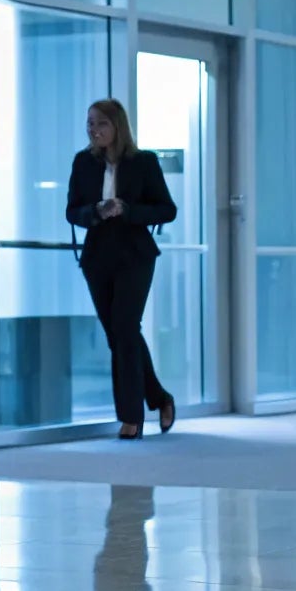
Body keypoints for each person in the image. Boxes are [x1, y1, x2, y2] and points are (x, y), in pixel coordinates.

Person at [65, 98, 177, 440]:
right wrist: (97, 210)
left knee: (126, 328)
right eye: (90, 123)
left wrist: (127, 210)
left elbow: (166, 210)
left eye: (101, 124)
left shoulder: (143, 162)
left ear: (118, 127)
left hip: (134, 255)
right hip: (98, 256)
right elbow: (71, 211)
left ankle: (131, 418)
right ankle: (159, 397)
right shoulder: (83, 162)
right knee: (118, 335)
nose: (94, 130)